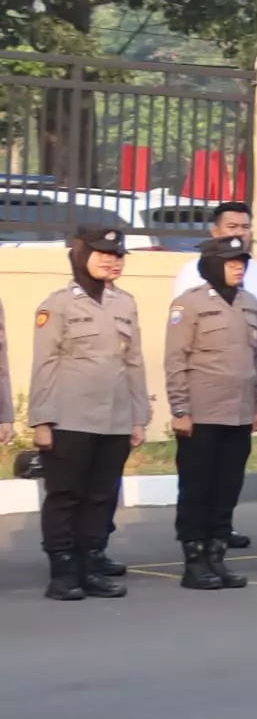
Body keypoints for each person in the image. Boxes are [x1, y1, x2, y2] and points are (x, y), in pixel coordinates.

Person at [29, 225, 152, 599]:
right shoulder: (58, 305)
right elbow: (44, 364)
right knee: (66, 494)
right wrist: (41, 420)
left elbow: (134, 363)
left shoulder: (125, 303)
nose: (112, 261)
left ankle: (90, 563)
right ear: (82, 254)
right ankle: (63, 571)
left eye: (117, 256)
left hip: (114, 419)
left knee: (101, 495)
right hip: (69, 418)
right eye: (103, 254)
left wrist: (137, 416)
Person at [164, 234, 257, 590]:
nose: (238, 267)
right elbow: (175, 361)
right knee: (198, 488)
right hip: (202, 414)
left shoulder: (250, 303)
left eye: (242, 261)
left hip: (238, 414)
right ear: (211, 265)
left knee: (227, 488)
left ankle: (217, 557)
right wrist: (179, 408)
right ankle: (194, 562)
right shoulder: (188, 305)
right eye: (231, 261)